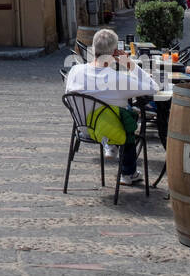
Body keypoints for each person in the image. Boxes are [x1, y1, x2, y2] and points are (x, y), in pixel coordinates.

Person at [65, 28, 160, 186]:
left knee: (119, 111)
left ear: (94, 48)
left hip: (82, 128)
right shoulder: (118, 79)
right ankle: (128, 172)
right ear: (115, 52)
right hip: (105, 129)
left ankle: (114, 148)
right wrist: (130, 65)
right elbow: (154, 87)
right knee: (128, 118)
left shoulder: (75, 70)